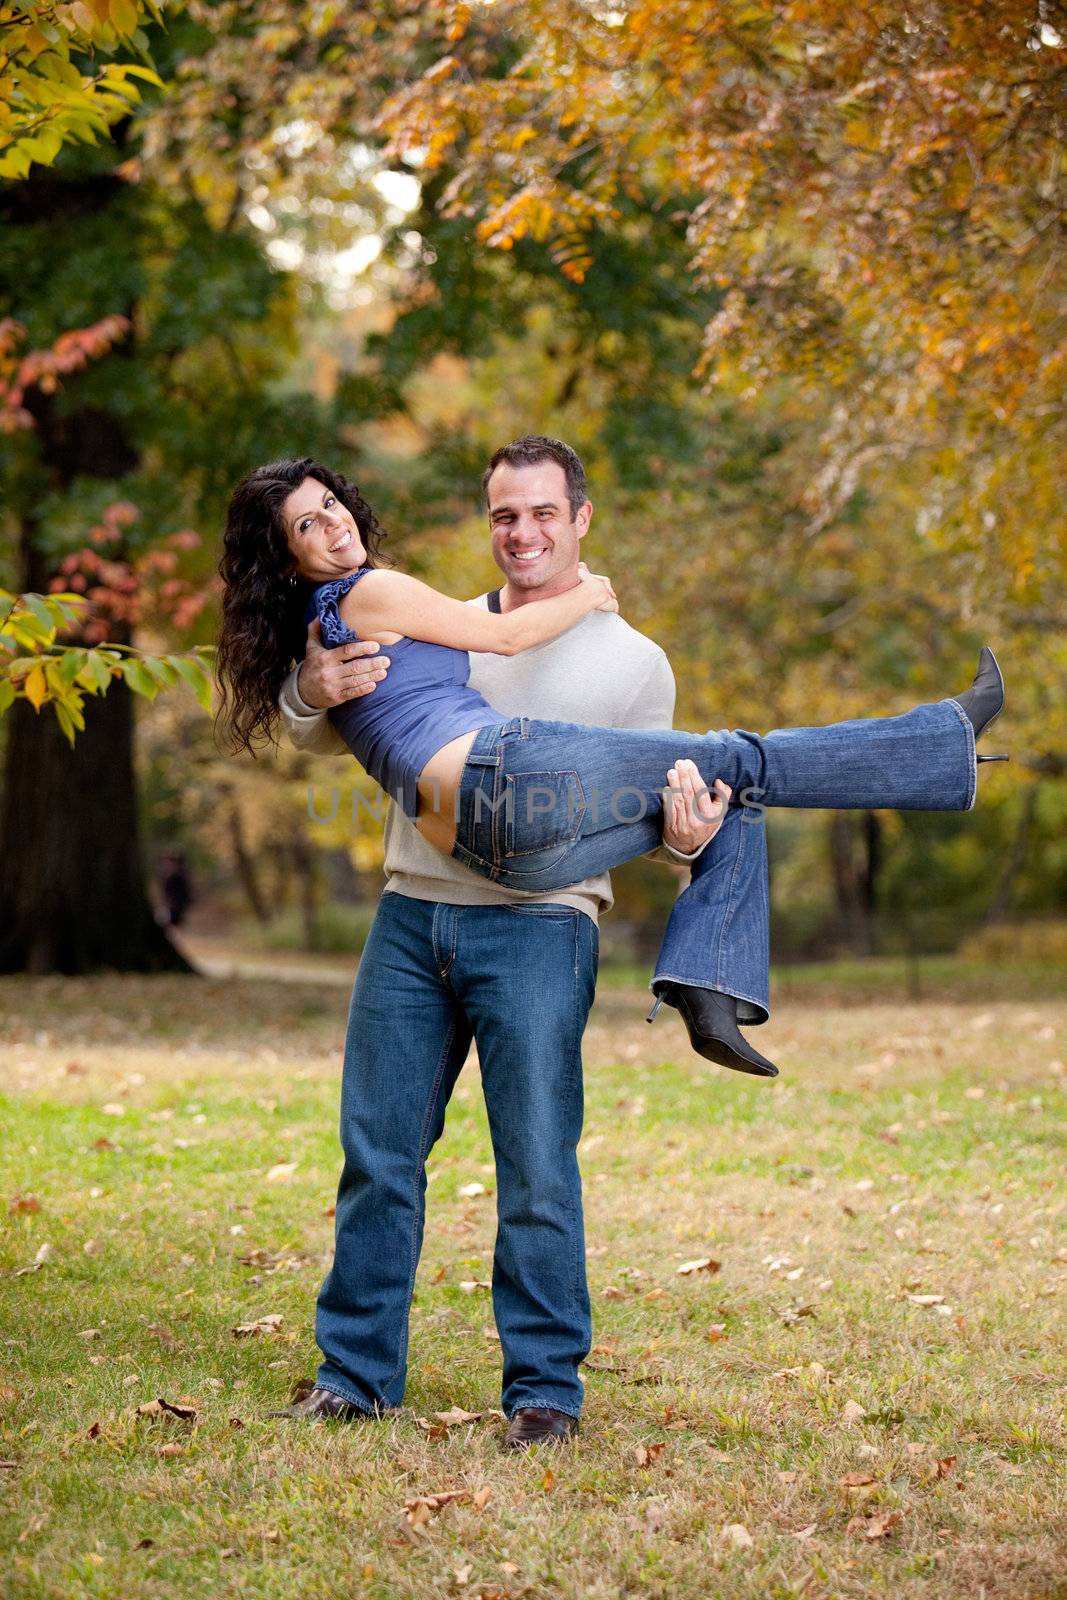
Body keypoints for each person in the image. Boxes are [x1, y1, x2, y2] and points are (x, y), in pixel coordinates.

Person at [215, 443, 1006, 1439]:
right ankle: (354, 1376)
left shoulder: (636, 663)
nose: (524, 533)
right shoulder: (435, 619)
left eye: (544, 513)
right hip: (416, 911)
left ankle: (543, 1392)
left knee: (539, 1162)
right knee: (378, 1154)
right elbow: (321, 723)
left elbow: (662, 823)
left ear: (578, 517)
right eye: (505, 514)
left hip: (543, 920)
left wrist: (687, 844)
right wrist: (304, 688)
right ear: (488, 521)